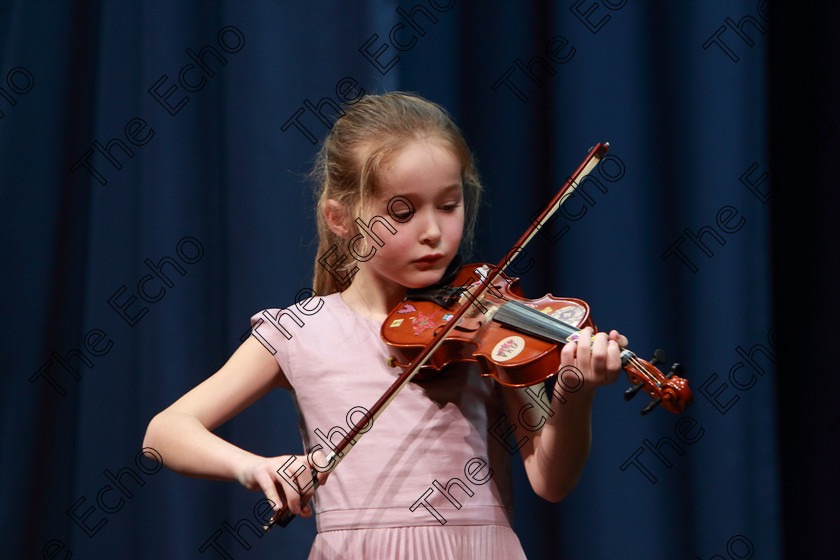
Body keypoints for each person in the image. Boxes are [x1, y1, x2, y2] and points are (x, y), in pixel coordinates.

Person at [143, 92, 627, 559]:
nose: (433, 231)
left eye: (449, 204)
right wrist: (256, 468)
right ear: (340, 217)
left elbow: (551, 479)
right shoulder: (299, 330)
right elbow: (164, 433)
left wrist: (574, 392)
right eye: (403, 210)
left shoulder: (487, 322)